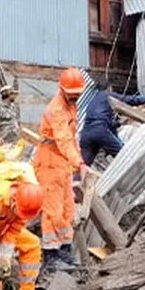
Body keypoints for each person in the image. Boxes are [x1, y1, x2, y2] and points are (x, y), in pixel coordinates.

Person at [33, 68, 89, 266]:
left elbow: (73, 138)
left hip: (62, 162)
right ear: (62, 90)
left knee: (67, 207)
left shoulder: (70, 105)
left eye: (77, 95)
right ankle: (51, 254)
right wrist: (79, 163)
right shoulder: (57, 109)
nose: (75, 98)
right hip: (49, 161)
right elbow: (64, 139)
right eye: (72, 95)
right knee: (52, 210)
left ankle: (65, 249)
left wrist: (79, 161)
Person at [79, 81, 145, 166]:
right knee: (123, 155)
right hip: (100, 131)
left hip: (85, 134)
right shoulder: (108, 95)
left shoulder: (92, 101)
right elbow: (128, 100)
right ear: (109, 88)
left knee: (83, 165)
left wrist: (118, 123)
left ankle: (75, 179)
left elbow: (106, 123)